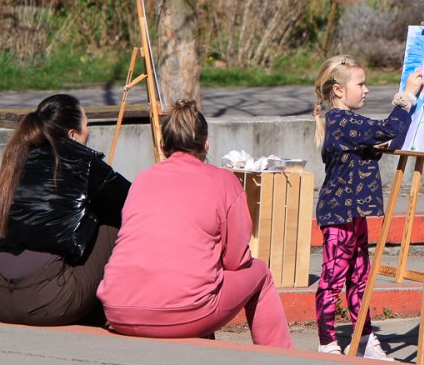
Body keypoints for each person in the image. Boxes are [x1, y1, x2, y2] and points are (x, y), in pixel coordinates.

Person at [97, 100, 294, 346]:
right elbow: (236, 260)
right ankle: (279, 357)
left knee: (200, 274)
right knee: (260, 272)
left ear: (163, 144)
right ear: (206, 144)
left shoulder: (142, 179)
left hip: (118, 310)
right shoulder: (224, 182)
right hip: (185, 314)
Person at [312, 55, 423, 359]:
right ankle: (327, 342)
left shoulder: (352, 125)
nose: (366, 90)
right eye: (360, 84)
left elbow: (391, 138)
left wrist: (408, 118)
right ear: (338, 90)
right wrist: (407, 95)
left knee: (360, 278)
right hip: (338, 215)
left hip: (354, 214)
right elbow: (386, 129)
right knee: (333, 278)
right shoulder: (342, 122)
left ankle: (364, 337)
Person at [0, 94, 130, 326]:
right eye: (86, 126)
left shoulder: (17, 159)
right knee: (111, 222)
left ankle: (88, 312)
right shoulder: (84, 163)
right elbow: (135, 202)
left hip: (1, 299)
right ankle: (125, 308)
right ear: (73, 134)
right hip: (48, 302)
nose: (88, 133)